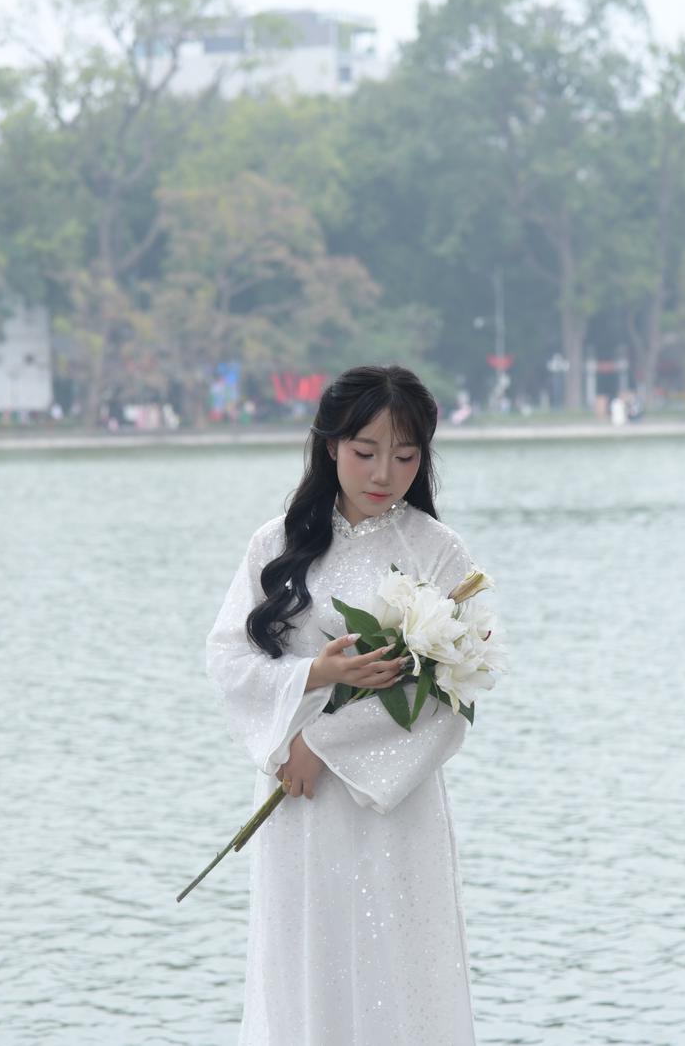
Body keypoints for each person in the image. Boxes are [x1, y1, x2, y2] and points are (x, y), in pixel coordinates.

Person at [205, 364, 493, 1045]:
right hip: (298, 798)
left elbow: (450, 694)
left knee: (398, 959)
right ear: (331, 444)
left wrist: (322, 744)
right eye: (365, 451)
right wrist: (313, 673)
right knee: (306, 960)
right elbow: (227, 659)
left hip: (391, 802)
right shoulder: (275, 544)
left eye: (405, 455)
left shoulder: (437, 551)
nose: (383, 473)